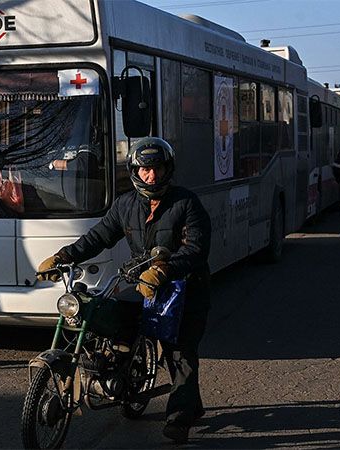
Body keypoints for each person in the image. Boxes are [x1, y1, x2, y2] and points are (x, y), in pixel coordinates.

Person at [37, 137, 211, 444]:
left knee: (179, 354)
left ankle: (179, 418)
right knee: (112, 322)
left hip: (184, 291)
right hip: (139, 283)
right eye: (145, 170)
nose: (151, 176)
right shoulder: (126, 204)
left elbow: (196, 248)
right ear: (135, 171)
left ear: (167, 169)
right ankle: (123, 376)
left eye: (157, 169)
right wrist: (64, 256)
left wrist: (164, 268)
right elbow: (99, 236)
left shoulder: (186, 203)